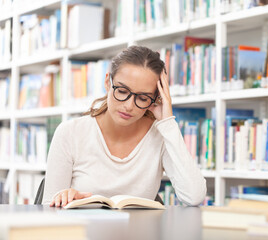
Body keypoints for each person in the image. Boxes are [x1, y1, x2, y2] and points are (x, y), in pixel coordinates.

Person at [43, 46, 207, 207]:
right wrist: (64, 200)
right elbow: (48, 208)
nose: (129, 106)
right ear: (108, 82)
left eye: (143, 98)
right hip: (83, 232)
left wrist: (168, 123)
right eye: (122, 91)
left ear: (156, 99)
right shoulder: (70, 133)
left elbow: (194, 197)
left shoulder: (161, 136)